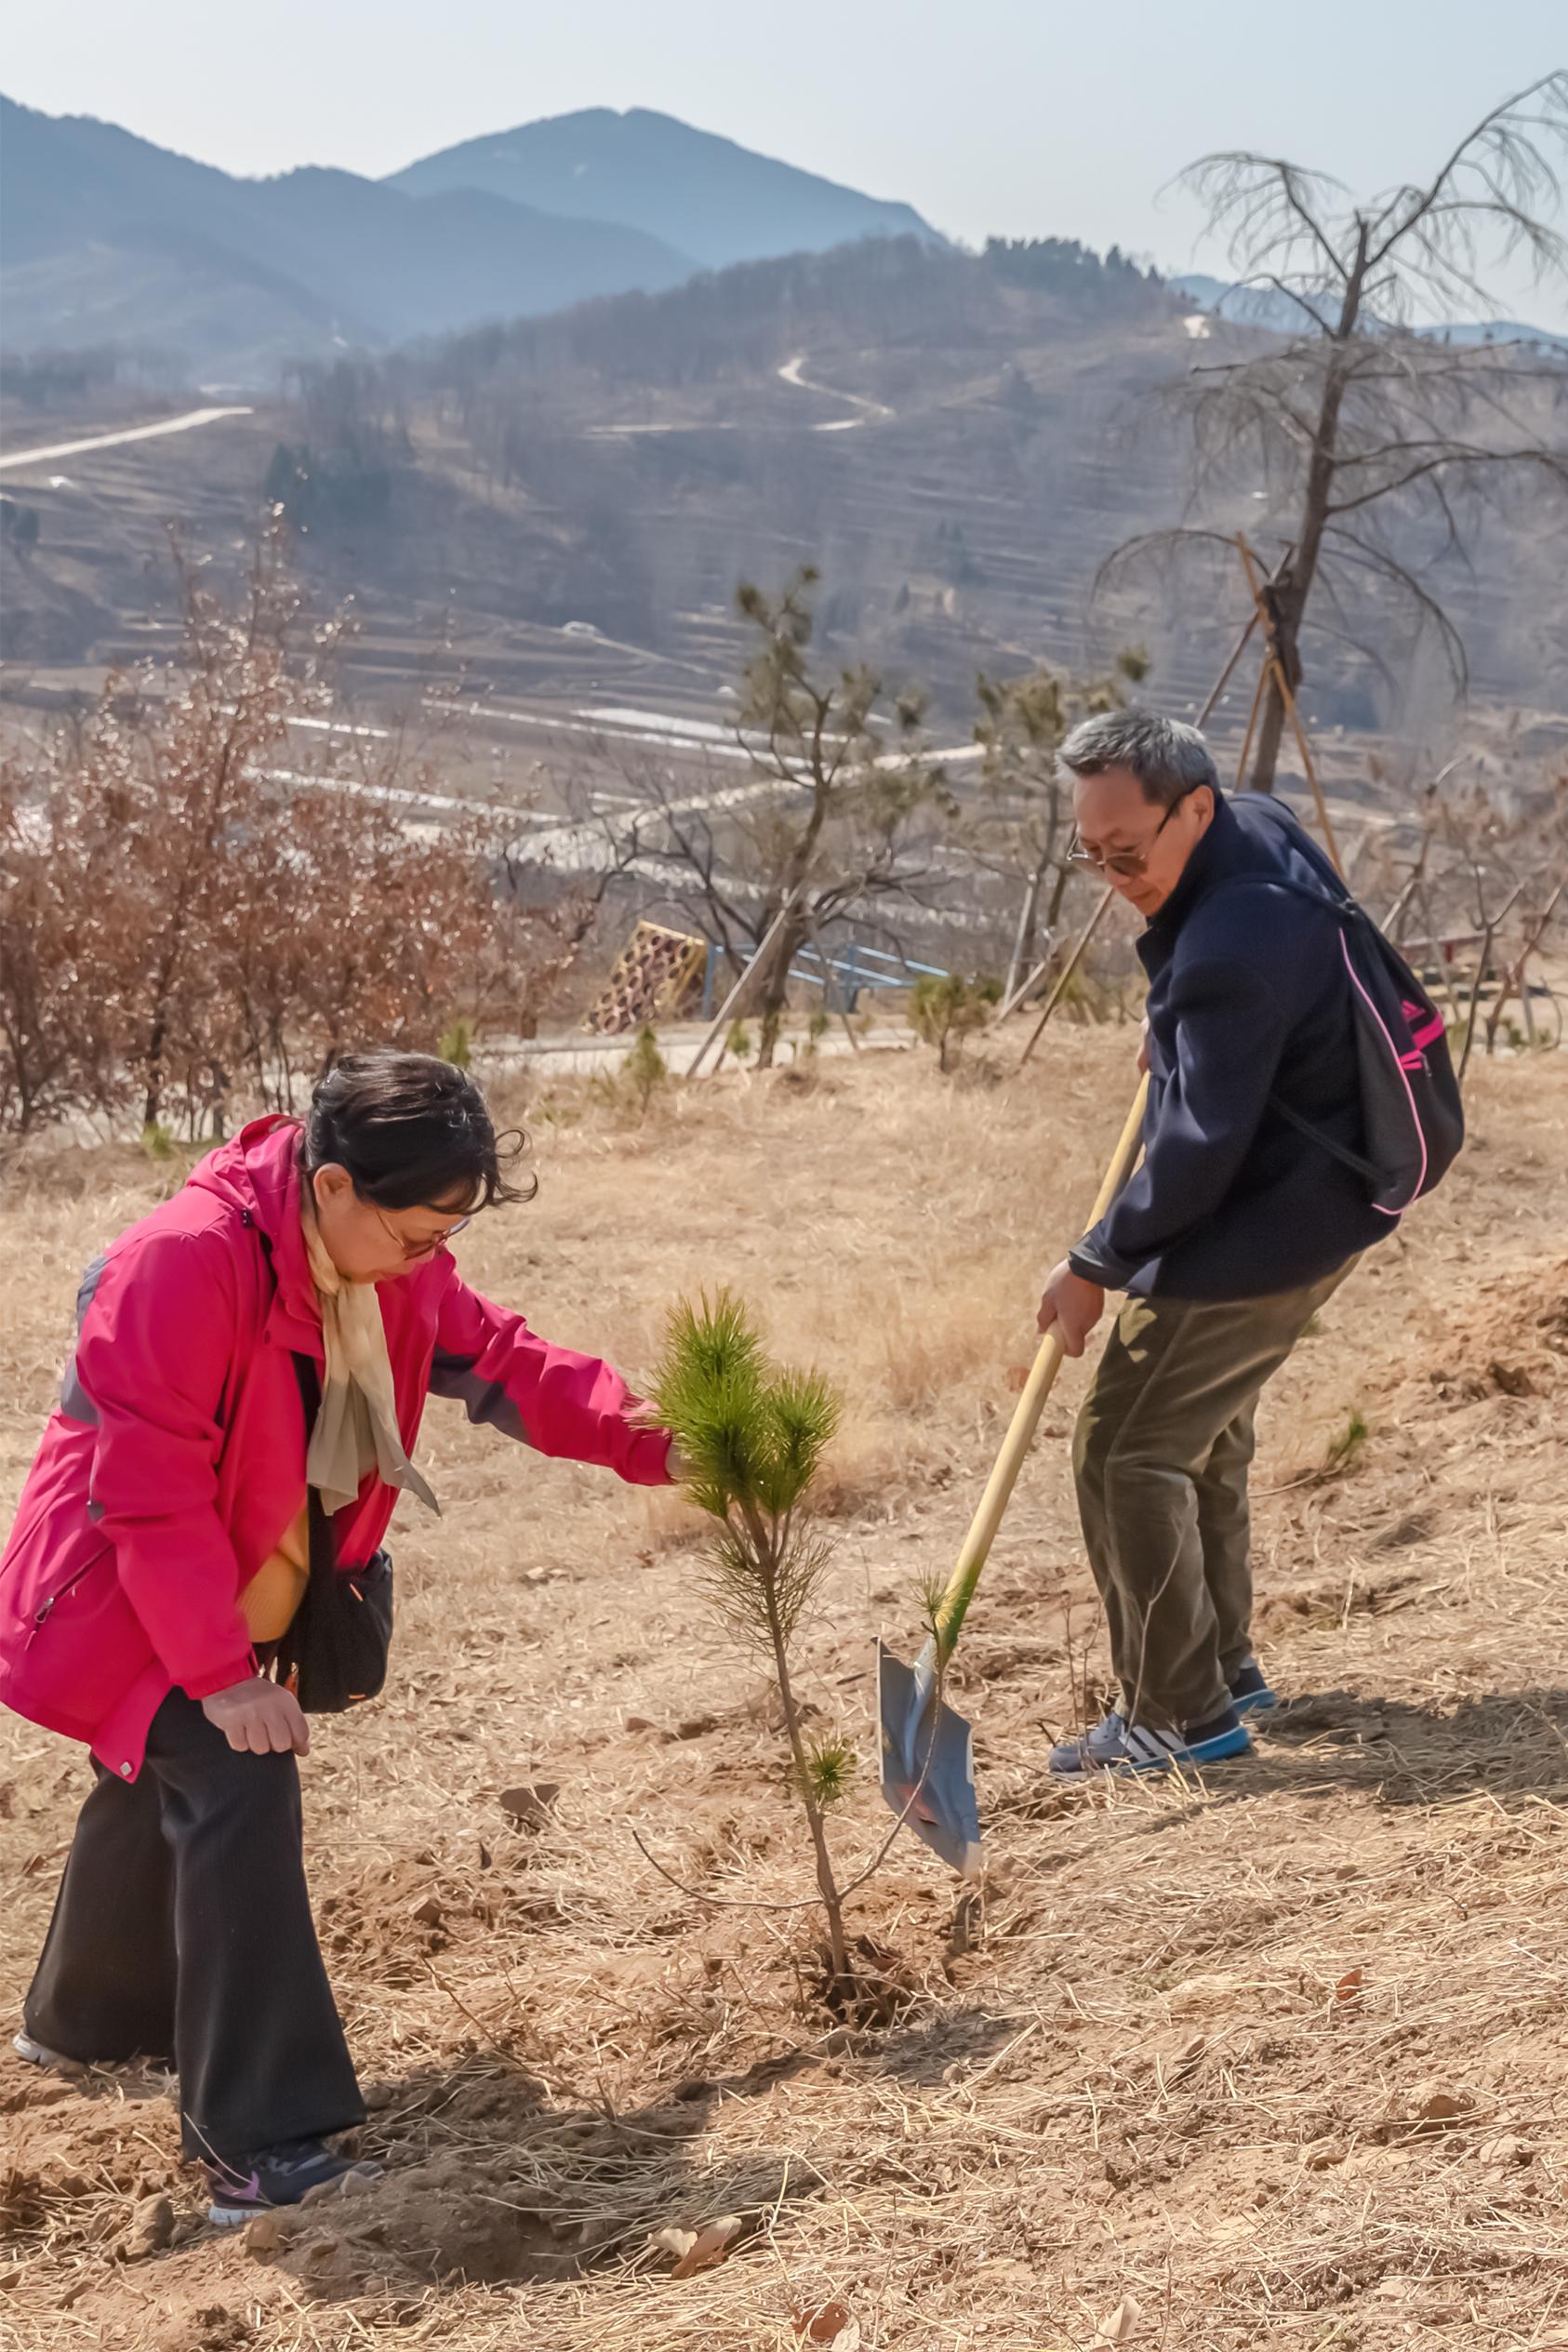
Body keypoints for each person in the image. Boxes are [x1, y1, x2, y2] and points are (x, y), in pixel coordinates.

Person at [0, 1052, 679, 2221]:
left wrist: (664, 1443)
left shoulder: (386, 1270)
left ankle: (88, 2025)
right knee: (233, 1769)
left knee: (160, 1776)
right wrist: (219, 1678)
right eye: (419, 1233)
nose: (433, 1259)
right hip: (105, 1596)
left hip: (222, 1581)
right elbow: (149, 1498)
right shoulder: (183, 1263)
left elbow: (507, 1366)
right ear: (332, 1188)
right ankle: (261, 2150)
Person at [1035, 712, 1390, 1778]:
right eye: (1089, 854)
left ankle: (1175, 1713)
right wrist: (1182, 1012)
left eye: (1128, 854)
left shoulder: (1232, 944)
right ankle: (1222, 1666)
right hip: (1321, 1178)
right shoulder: (1255, 823)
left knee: (1125, 1447)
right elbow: (1238, 1000)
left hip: (1282, 1202)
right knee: (1203, 1429)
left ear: (1194, 808)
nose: (1111, 876)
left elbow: (1194, 1151)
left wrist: (1094, 1261)